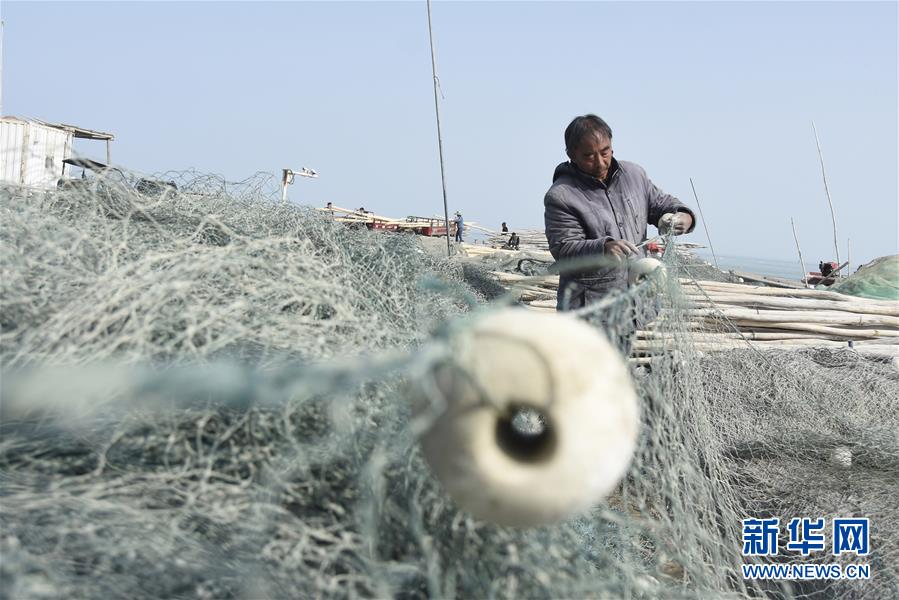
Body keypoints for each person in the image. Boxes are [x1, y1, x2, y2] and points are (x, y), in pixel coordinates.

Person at [544, 114, 695, 311]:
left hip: (633, 304)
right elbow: (564, 249)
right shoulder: (561, 196)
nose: (600, 162)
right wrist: (604, 247)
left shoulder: (634, 175)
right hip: (590, 308)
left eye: (605, 152)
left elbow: (661, 205)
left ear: (611, 146)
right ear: (572, 155)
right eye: (589, 156)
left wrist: (684, 216)